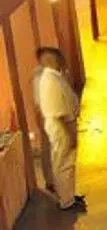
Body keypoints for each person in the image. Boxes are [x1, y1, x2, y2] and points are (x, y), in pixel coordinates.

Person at [32, 47, 84, 211]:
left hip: (59, 125)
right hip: (61, 127)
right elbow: (61, 111)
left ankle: (69, 195)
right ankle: (67, 200)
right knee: (63, 162)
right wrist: (72, 132)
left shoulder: (52, 77)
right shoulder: (51, 80)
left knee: (65, 162)